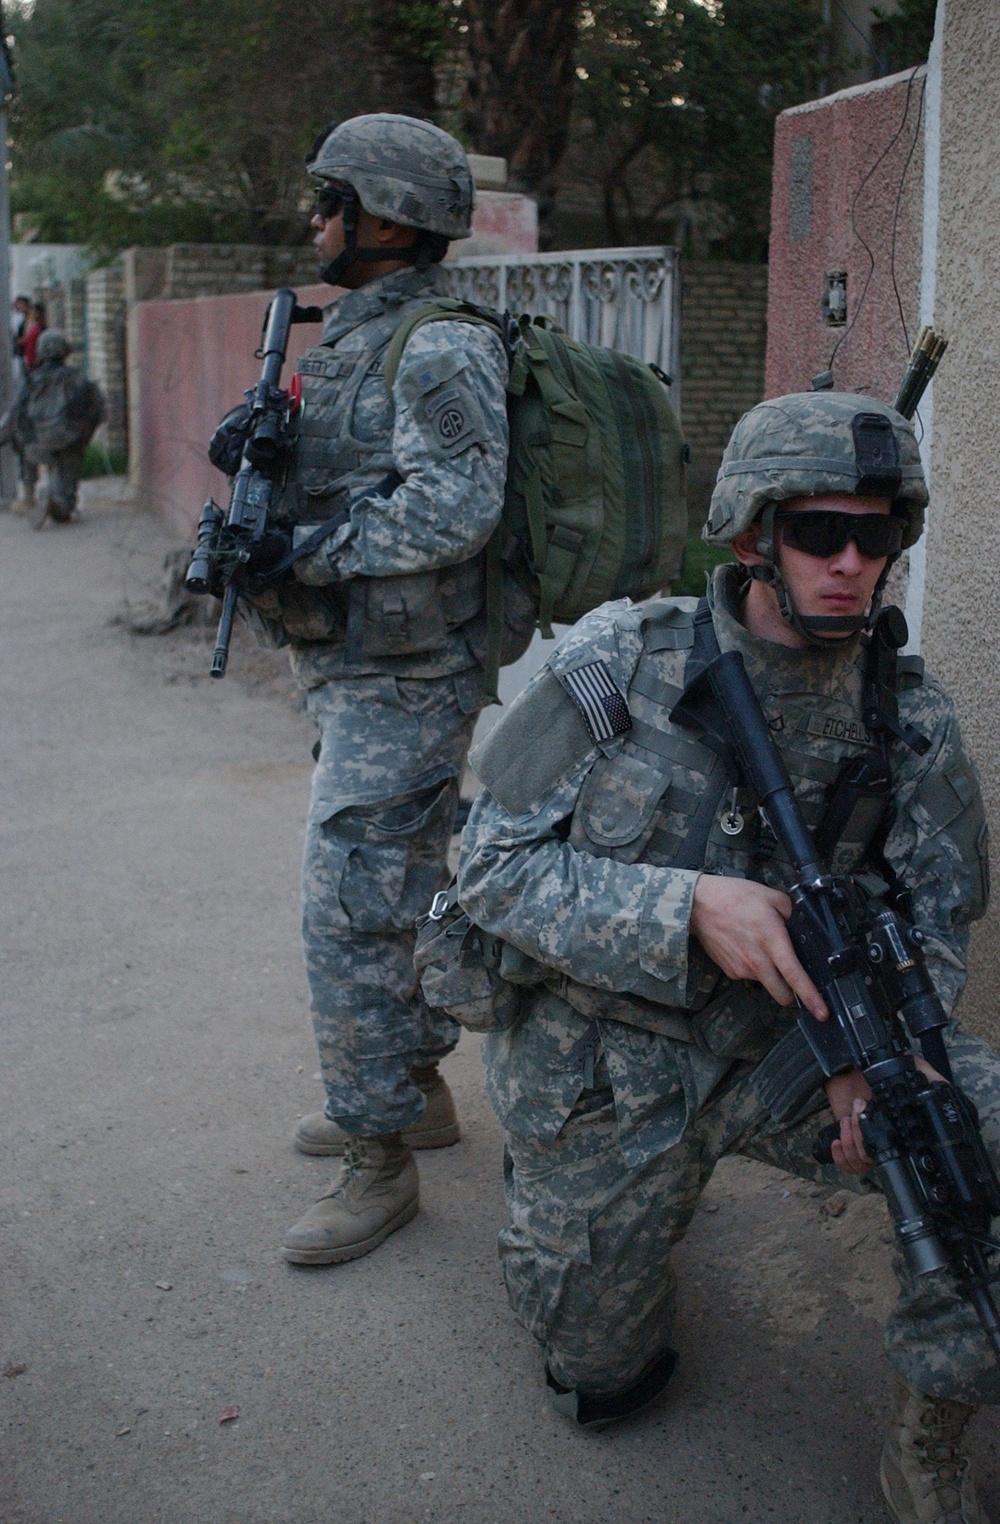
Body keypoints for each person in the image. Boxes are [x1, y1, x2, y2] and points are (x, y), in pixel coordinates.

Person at [456, 390, 998, 1522]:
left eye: (876, 534)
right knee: (603, 1384)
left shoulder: (911, 718)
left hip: (790, 1052)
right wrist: (683, 906)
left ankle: (934, 1429)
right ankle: (561, 1194)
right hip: (610, 1053)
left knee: (966, 1144)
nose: (850, 562)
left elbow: (936, 925)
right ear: (752, 533)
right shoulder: (623, 660)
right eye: (817, 533)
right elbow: (487, 871)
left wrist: (882, 1061)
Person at [217, 113, 532, 1266]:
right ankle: (418, 1095)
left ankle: (378, 1156)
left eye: (329, 198)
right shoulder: (359, 332)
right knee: (388, 889)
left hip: (406, 673)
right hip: (357, 666)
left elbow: (456, 509)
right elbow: (363, 475)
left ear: (388, 218)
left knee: (345, 908)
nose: (314, 220)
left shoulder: (439, 344)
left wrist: (305, 553)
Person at [0, 329, 105, 525]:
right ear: (65, 352)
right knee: (65, 508)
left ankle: (29, 495)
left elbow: (13, 416)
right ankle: (58, 503)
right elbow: (98, 411)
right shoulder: (78, 379)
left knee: (20, 438)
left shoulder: (31, 381)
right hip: (69, 442)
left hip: (36, 446)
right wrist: (84, 436)